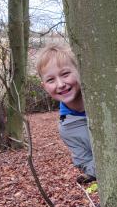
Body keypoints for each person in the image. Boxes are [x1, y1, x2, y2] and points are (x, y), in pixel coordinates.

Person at [37, 44, 96, 182]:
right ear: (44, 86)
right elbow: (85, 163)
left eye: (65, 74)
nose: (60, 84)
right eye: (51, 80)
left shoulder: (106, 100)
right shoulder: (67, 128)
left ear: (79, 71)